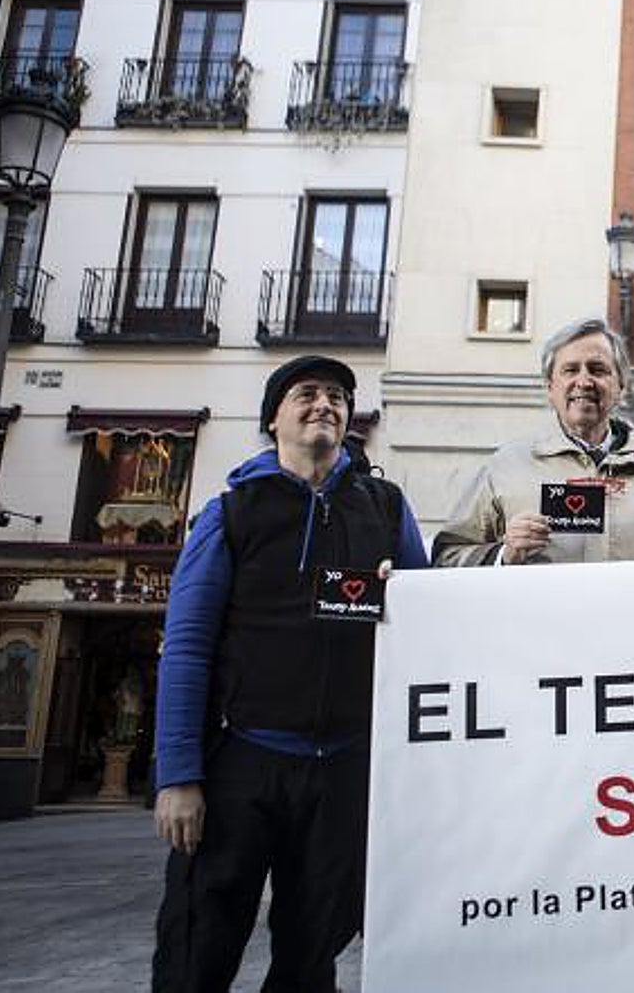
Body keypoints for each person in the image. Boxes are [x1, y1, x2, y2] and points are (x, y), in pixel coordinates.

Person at [151, 355, 428, 993]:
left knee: (312, 956)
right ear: (274, 416)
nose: (324, 404)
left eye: (338, 395)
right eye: (306, 393)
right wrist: (178, 776)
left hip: (344, 774)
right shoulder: (231, 511)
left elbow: (425, 627)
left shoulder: (385, 507)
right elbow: (188, 647)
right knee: (197, 949)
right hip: (240, 765)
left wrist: (407, 598)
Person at [432, 317, 634, 566]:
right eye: (570, 370)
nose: (584, 381)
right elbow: (447, 557)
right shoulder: (505, 467)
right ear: (550, 387)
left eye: (598, 370)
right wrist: (503, 554)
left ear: (621, 387)